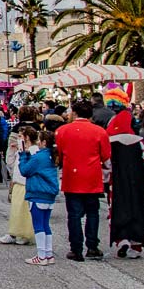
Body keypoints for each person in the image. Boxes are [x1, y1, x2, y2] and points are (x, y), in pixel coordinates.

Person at [54, 98, 111, 262]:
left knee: (74, 214)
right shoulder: (100, 132)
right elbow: (106, 157)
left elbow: (60, 154)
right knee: (93, 213)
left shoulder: (63, 131)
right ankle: (92, 246)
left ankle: (76, 248)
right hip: (92, 176)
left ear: (75, 112)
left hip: (72, 176)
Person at [107, 101, 144, 259]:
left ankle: (122, 239)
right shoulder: (138, 142)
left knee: (119, 210)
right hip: (138, 183)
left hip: (118, 183)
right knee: (138, 211)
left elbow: (106, 164)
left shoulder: (111, 143)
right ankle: (136, 245)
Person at [18, 129, 60, 266]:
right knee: (45, 225)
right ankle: (48, 253)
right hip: (49, 194)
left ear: (43, 142)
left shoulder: (39, 157)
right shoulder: (51, 156)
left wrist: (23, 155)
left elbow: (24, 170)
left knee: (38, 225)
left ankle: (41, 255)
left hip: (38, 192)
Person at [0, 107, 36, 246]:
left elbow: (10, 154)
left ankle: (16, 232)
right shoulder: (40, 128)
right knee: (28, 206)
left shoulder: (16, 130)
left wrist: (11, 169)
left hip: (20, 172)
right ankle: (22, 233)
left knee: (17, 204)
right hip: (33, 174)